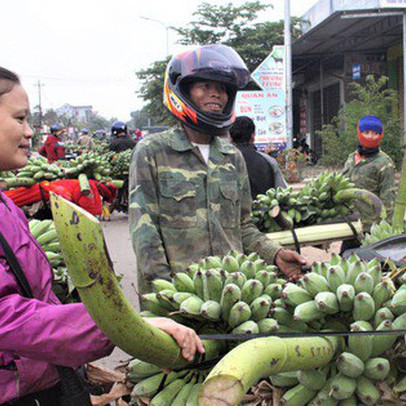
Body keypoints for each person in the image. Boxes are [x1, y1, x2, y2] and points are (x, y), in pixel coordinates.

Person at [0, 66, 204, 405]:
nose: (29, 132)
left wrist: (76, 338)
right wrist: (119, 325)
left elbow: (36, 298)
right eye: (19, 119)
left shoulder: (6, 205)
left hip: (39, 379)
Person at [129, 44, 307, 294]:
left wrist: (275, 254)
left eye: (222, 88)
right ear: (184, 92)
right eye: (205, 86)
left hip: (230, 293)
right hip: (177, 297)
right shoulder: (152, 152)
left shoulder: (232, 157)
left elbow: (244, 227)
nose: (216, 94)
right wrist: (168, 292)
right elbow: (145, 234)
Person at [340, 115, 396, 253]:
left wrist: (385, 231)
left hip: (369, 230)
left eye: (375, 133)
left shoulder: (384, 163)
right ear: (360, 133)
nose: (370, 137)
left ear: (380, 135)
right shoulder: (351, 159)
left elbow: (388, 200)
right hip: (350, 224)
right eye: (366, 132)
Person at [229, 115, 287, 199]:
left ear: (231, 137)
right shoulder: (268, 161)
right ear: (253, 135)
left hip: (231, 211)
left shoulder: (221, 160)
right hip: (263, 210)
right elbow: (282, 193)